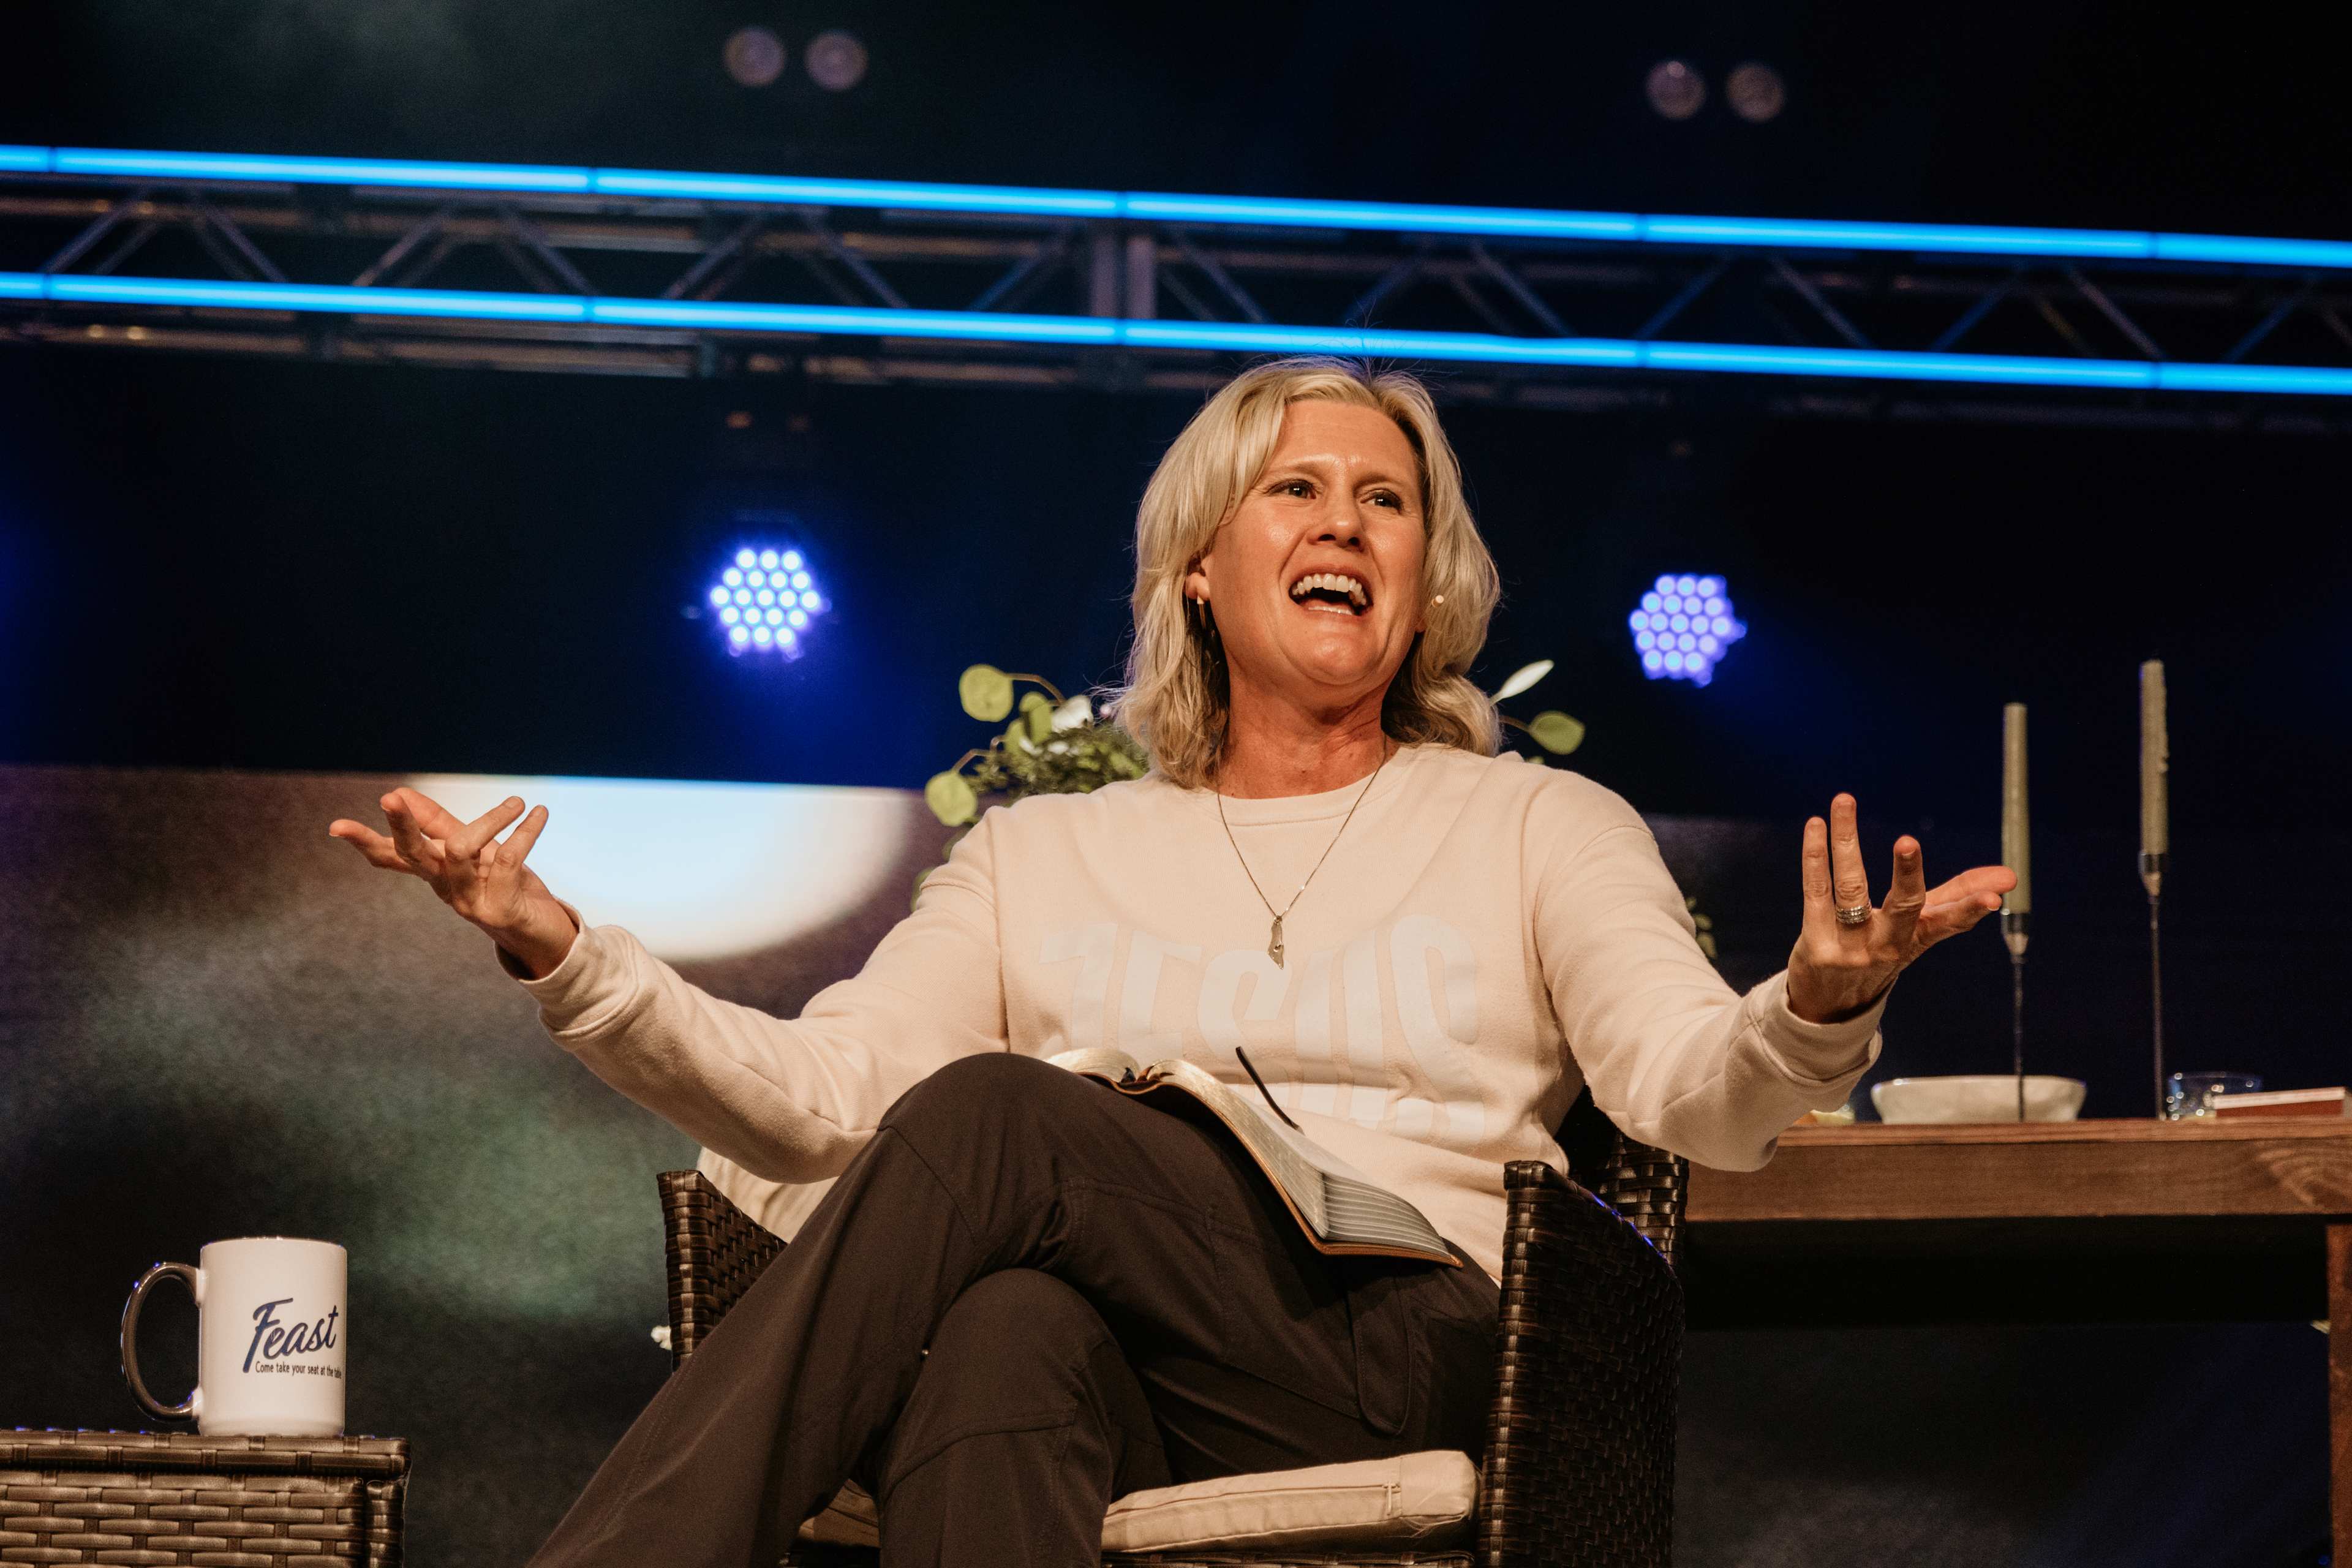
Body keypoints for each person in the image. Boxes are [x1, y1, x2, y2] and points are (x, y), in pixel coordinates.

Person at [330, 356, 2013, 1567]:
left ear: (1425, 579)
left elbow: (1688, 1099)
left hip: (1407, 1345)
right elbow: (825, 1101)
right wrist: (572, 955)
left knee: (998, 1121)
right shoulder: (1046, 853)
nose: (1347, 520)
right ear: (1203, 565)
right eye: (1299, 487)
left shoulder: (1535, 824)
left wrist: (1815, 1007)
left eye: (1388, 499)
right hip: (1148, 1372)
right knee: (998, 1335)